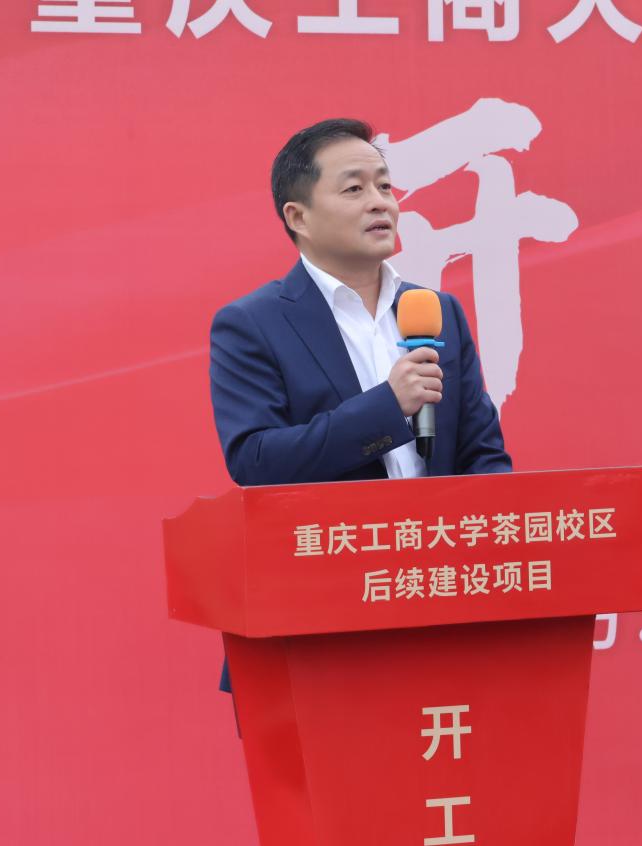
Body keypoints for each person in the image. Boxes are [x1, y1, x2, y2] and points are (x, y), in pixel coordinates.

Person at [209, 118, 511, 694]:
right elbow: (256, 460)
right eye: (354, 188)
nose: (381, 203)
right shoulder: (252, 324)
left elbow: (484, 458)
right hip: (318, 622)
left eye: (385, 186)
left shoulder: (436, 312)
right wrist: (387, 410)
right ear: (298, 217)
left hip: (441, 611)